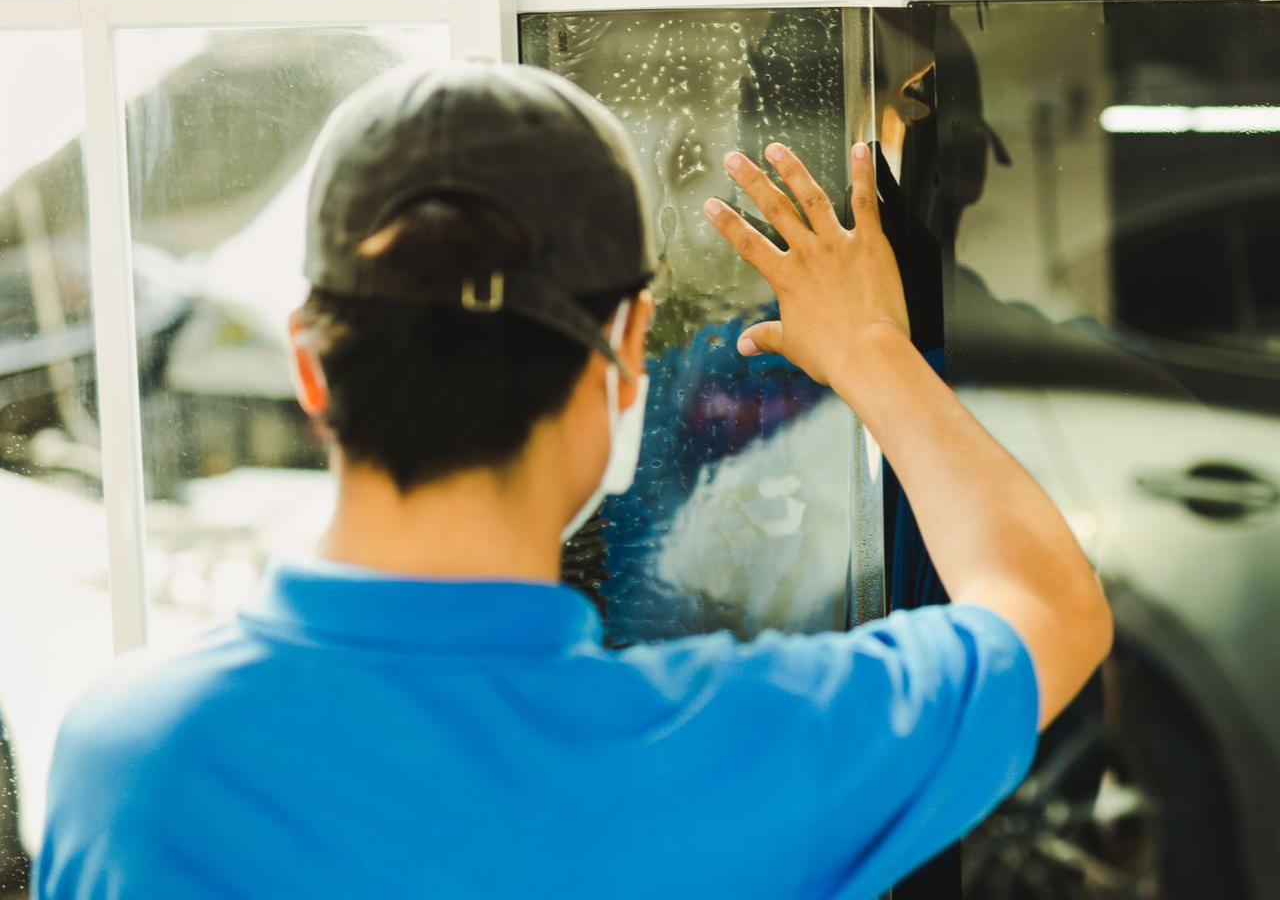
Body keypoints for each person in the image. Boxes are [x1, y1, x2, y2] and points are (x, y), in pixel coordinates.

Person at [35, 62, 1112, 899]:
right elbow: (1045, 604)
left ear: (311, 364)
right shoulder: (729, 752)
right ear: (627, 353)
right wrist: (872, 348)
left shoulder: (129, 762)